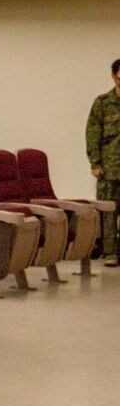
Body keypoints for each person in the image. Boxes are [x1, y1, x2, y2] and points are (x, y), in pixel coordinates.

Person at [87, 58, 120, 267]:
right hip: (110, 168)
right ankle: (110, 253)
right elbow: (92, 133)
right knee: (109, 212)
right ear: (114, 76)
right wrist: (95, 163)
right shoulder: (102, 103)